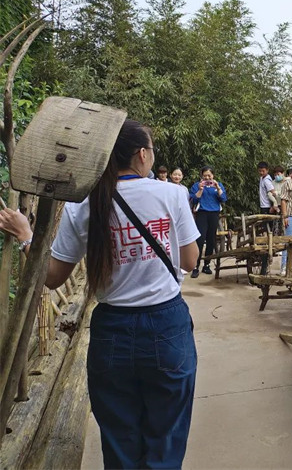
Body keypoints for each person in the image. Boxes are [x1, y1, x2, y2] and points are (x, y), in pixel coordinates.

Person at [0, 120, 200, 468]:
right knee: (166, 438)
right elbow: (190, 259)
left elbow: (52, 277)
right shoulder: (173, 195)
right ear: (142, 154)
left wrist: (27, 236)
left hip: (112, 333)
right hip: (168, 327)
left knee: (120, 443)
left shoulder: (85, 205)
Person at [189, 166, 227, 277]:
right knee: (200, 240)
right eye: (205, 175)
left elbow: (224, 199)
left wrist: (218, 188)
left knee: (211, 240)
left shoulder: (218, 185)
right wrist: (200, 189)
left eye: (209, 175)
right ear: (201, 176)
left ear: (213, 176)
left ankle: (207, 265)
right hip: (202, 214)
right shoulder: (197, 185)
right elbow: (193, 200)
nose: (207, 177)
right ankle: (195, 266)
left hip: (214, 214)